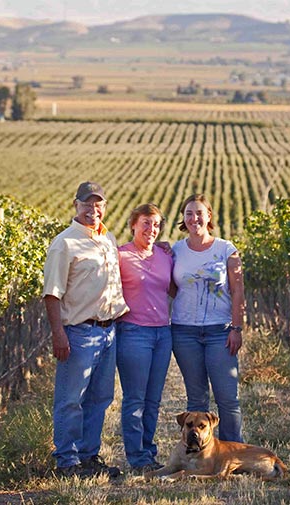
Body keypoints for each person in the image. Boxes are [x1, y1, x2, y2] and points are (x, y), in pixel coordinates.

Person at [42, 181, 129, 479]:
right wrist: (59, 333)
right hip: (79, 332)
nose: (93, 209)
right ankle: (66, 461)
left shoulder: (108, 239)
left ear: (105, 206)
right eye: (87, 204)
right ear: (75, 205)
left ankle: (89, 456)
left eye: (98, 204)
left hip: (108, 332)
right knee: (71, 399)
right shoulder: (64, 243)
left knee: (100, 398)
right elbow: (51, 294)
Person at [170, 194, 245, 443]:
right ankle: (200, 452)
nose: (194, 218)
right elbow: (171, 288)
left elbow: (238, 292)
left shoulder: (226, 249)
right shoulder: (176, 250)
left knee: (227, 397)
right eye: (189, 213)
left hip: (219, 332)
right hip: (184, 332)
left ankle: (233, 450)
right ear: (183, 218)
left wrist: (236, 328)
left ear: (209, 216)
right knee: (196, 399)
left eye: (199, 213)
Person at [116, 203, 173, 474]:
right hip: (134, 332)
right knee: (135, 399)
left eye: (156, 224)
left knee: (153, 400)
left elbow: (173, 288)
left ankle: (149, 452)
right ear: (134, 225)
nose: (152, 229)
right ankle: (137, 458)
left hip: (163, 333)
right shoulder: (120, 256)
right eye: (146, 223)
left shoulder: (164, 255)